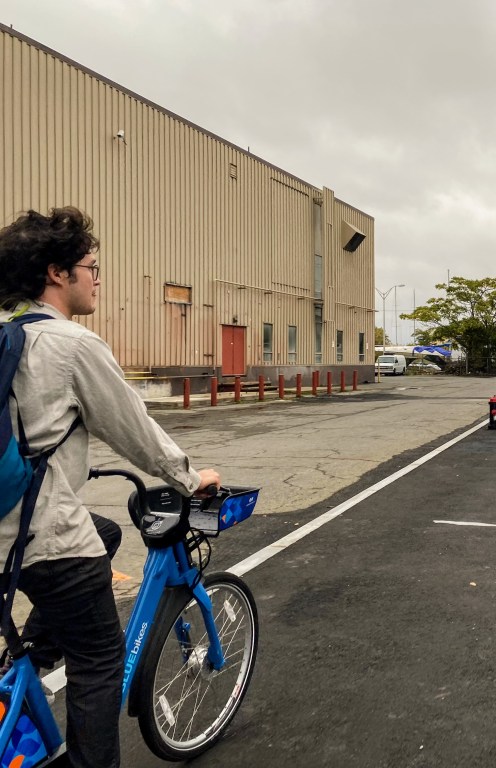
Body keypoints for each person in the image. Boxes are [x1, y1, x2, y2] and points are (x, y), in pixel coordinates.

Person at [0, 207, 221, 768]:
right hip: (40, 534)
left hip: (6, 527)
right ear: (57, 273)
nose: (97, 278)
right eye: (91, 267)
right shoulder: (70, 344)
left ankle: (27, 659)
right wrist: (191, 479)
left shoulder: (6, 340)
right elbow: (136, 432)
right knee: (99, 661)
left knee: (101, 531)